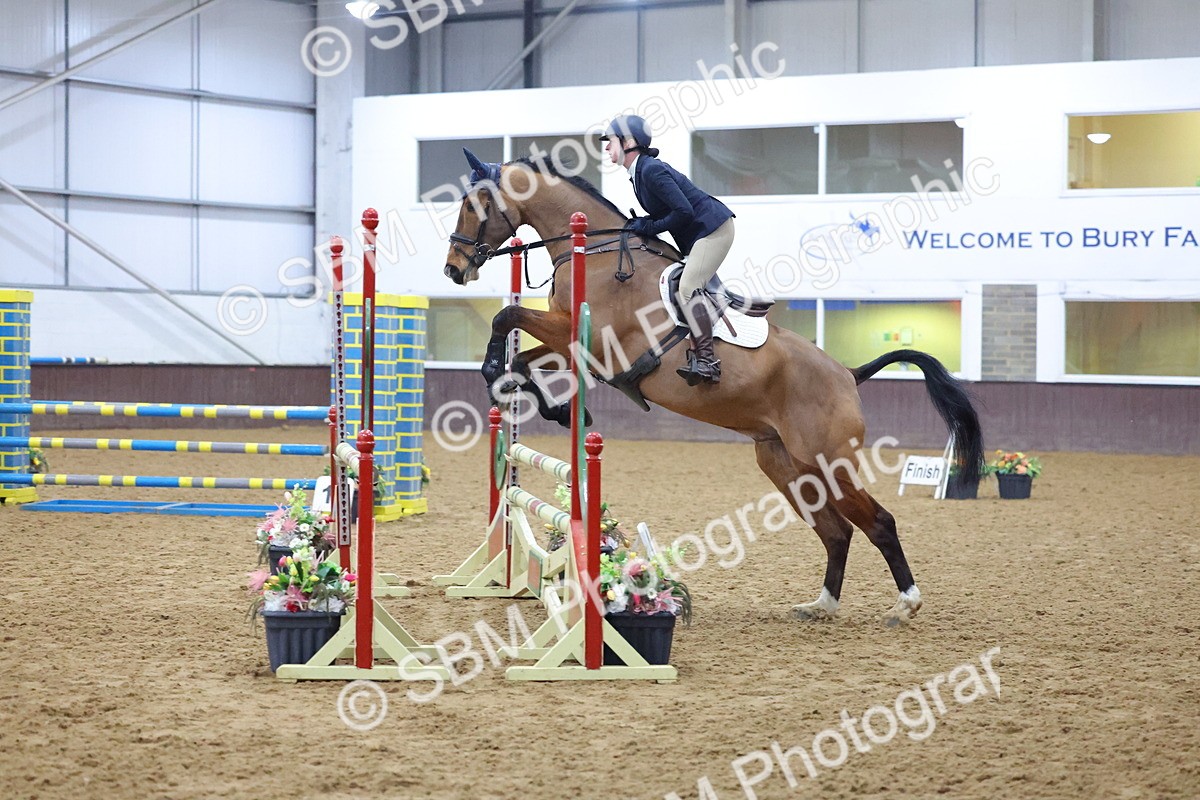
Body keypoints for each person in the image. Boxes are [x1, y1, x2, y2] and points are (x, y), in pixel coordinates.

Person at [600, 114, 735, 385]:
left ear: (628, 143)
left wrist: (648, 227)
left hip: (713, 231)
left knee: (687, 289)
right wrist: (642, 223)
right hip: (698, 236)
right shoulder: (638, 173)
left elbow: (683, 210)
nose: (606, 148)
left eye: (610, 141)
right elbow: (670, 213)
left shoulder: (650, 170)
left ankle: (707, 361)